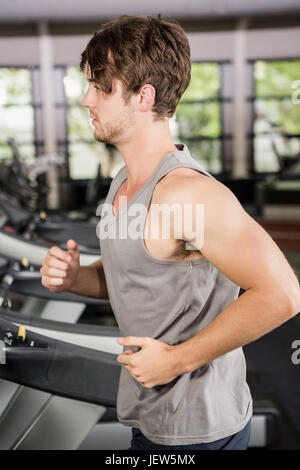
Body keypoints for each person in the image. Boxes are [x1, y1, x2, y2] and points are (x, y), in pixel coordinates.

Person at [40, 15, 300, 450]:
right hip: (147, 412)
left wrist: (176, 361)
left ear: (143, 97)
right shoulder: (123, 182)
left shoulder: (186, 194)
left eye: (101, 87)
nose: (87, 99)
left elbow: (282, 294)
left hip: (198, 429)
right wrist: (75, 278)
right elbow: (135, 275)